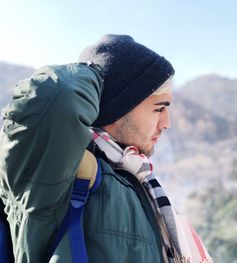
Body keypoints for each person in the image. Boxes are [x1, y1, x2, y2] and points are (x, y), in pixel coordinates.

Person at [0, 34, 212, 262]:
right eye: (159, 108)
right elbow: (57, 98)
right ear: (121, 106)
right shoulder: (61, 172)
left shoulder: (135, 181)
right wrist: (101, 70)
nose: (166, 123)